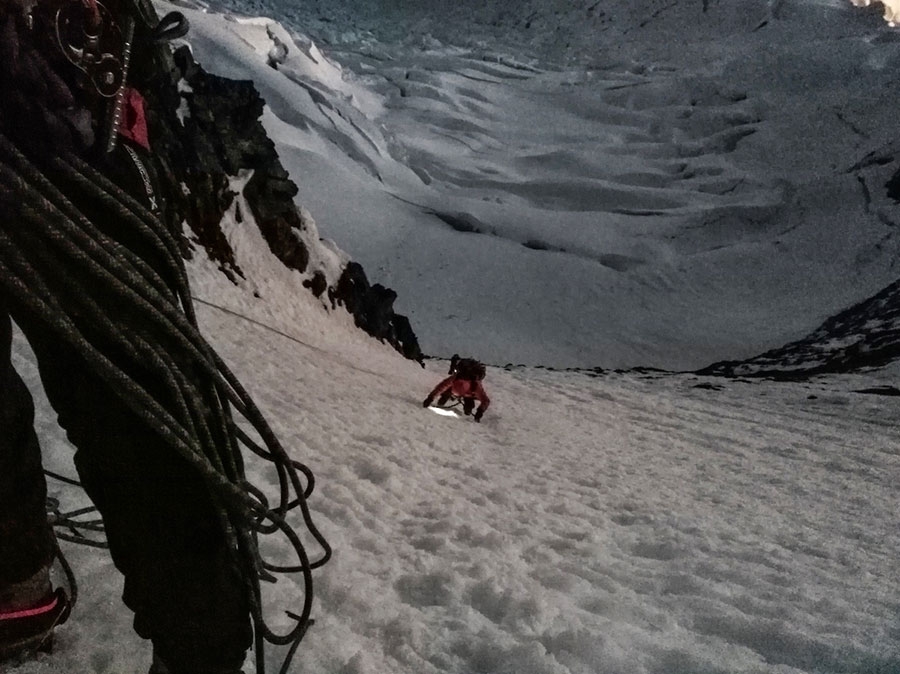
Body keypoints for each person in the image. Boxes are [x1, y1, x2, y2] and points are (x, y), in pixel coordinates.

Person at [0, 1, 311, 672]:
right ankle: (197, 646)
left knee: (135, 391)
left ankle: (21, 581)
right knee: (134, 391)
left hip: (55, 94)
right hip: (61, 92)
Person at [423, 355, 491, 421]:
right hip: (457, 393)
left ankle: (466, 410)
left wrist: (480, 411)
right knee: (443, 400)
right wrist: (430, 398)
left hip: (466, 395)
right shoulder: (457, 379)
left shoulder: (474, 384)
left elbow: (441, 387)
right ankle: (442, 402)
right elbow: (441, 387)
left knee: (467, 410)